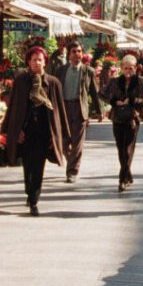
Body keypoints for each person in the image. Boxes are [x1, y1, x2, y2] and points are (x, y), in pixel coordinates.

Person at [1, 46, 70, 216]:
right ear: (28, 62)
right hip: (25, 132)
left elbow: (60, 110)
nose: (37, 63)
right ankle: (29, 191)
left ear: (45, 62)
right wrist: (11, 130)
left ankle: (34, 200)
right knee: (27, 166)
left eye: (40, 60)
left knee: (38, 167)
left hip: (44, 132)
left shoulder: (53, 83)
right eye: (34, 60)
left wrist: (63, 134)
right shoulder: (21, 81)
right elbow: (14, 108)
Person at [54, 41, 103, 183]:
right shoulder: (61, 71)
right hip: (64, 109)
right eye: (74, 52)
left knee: (77, 143)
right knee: (63, 142)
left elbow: (94, 92)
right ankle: (72, 161)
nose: (77, 54)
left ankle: (72, 171)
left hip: (80, 109)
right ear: (69, 55)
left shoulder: (88, 71)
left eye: (79, 51)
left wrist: (99, 111)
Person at [101, 54, 143, 192]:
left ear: (136, 68)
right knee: (120, 148)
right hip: (117, 118)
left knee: (128, 149)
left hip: (133, 118)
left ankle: (122, 178)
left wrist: (131, 100)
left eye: (131, 68)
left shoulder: (141, 82)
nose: (128, 71)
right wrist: (115, 101)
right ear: (121, 68)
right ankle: (127, 173)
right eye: (126, 68)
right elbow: (102, 93)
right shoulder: (114, 81)